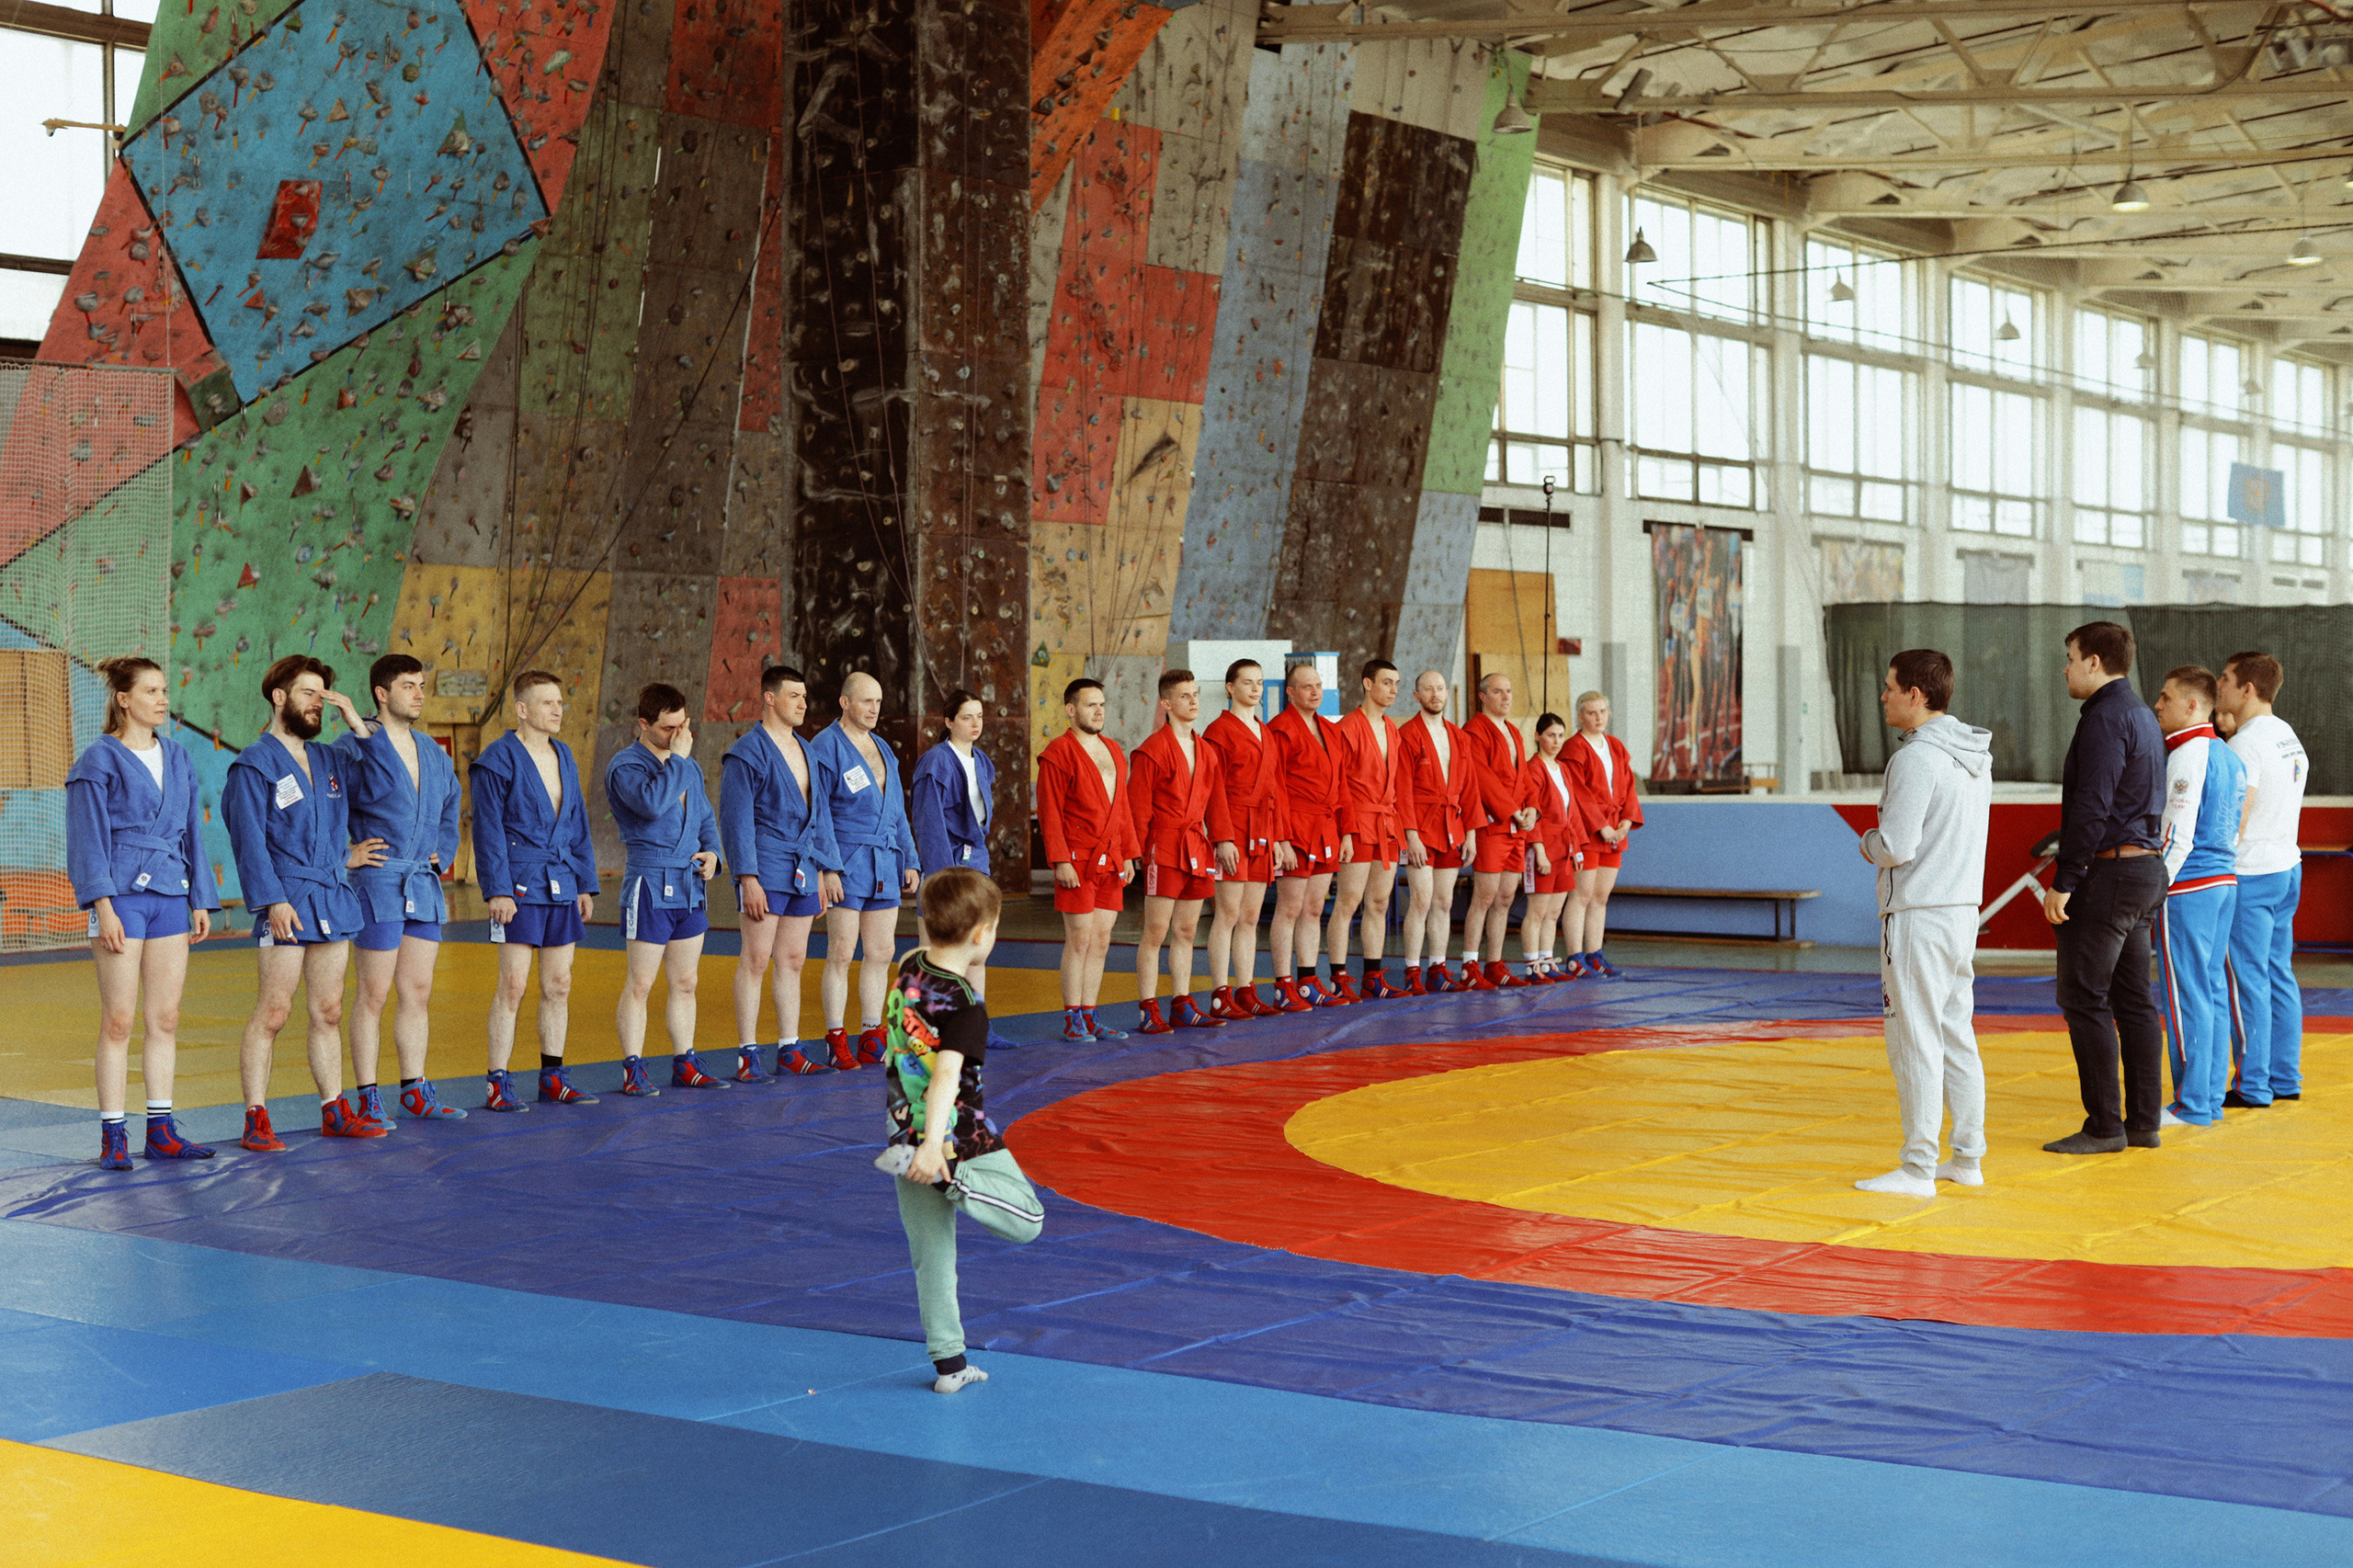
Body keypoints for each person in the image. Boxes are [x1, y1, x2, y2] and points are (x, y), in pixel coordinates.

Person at [874, 868, 1044, 1394]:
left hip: (900, 1134)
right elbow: (946, 1076)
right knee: (1029, 1219)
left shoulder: (908, 967)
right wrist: (936, 1153)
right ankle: (955, 1184)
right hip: (953, 1138)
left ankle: (949, 1365)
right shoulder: (967, 1006)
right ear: (982, 935)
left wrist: (916, 1143)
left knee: (932, 1254)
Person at [222, 655, 386, 1149]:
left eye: (323, 695)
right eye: (308, 693)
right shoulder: (253, 763)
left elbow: (381, 780)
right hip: (287, 898)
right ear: (279, 697)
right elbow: (247, 839)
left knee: (330, 1010)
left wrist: (358, 723)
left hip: (332, 895)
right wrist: (271, 900)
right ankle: (256, 1116)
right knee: (274, 1011)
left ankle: (333, 1109)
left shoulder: (331, 759)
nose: (319, 704)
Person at [65, 656, 223, 1167]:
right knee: (118, 1020)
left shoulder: (177, 756)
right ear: (123, 699)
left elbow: (192, 832)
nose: (162, 699)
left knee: (166, 1018)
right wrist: (103, 906)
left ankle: (161, 1129)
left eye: (164, 691)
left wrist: (200, 896)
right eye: (151, 691)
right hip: (121, 897)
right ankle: (114, 1135)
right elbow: (86, 838)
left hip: (172, 897)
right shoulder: (97, 760)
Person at [1853, 650, 1993, 1198]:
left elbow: (1896, 845)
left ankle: (1917, 1167)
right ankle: (1968, 1156)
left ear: (1917, 694)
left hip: (1917, 914)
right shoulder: (1973, 756)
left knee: (1914, 1039)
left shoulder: (1916, 760)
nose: (1883, 695)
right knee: (1956, 1034)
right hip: (1959, 912)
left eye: (1890, 687)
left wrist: (1867, 844)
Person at [2040, 621, 2169, 1155]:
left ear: (2094, 662)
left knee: (2083, 997)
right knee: (2135, 1000)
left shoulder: (2105, 718)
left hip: (2110, 874)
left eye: (2070, 657)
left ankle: (2104, 1126)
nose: (2065, 667)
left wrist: (2064, 881)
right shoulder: (2141, 714)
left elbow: (2093, 806)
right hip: (2144, 872)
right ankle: (2142, 1122)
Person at [333, 653, 464, 1129]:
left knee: (418, 990)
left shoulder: (432, 750)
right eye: (408, 685)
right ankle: (368, 1094)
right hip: (380, 880)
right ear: (382, 694)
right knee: (373, 993)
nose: (419, 693)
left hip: (421, 881)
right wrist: (344, 852)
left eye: (422, 684)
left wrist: (442, 852)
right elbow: (330, 802)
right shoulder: (352, 745)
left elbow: (451, 803)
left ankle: (414, 1087)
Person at [471, 671, 601, 1110]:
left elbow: (577, 824)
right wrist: (498, 890)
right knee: (512, 984)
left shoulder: (565, 755)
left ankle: (553, 1076)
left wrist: (585, 883)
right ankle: (497, 1082)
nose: (558, 710)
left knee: (559, 984)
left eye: (560, 702)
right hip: (520, 885)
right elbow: (487, 830)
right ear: (522, 709)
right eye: (548, 703)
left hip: (562, 879)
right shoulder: (497, 758)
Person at [722, 665, 841, 1080]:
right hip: (766, 863)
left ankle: (789, 1047)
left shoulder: (808, 750)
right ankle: (747, 1052)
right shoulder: (746, 752)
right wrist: (747, 878)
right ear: (769, 698)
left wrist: (828, 869)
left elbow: (821, 814)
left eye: (805, 697)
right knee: (756, 959)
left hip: (805, 865)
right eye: (794, 696)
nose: (803, 704)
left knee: (792, 959)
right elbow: (736, 820)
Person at [607, 681, 726, 1096]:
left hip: (689, 882)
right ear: (644, 724)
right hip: (650, 881)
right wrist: (678, 759)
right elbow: (653, 804)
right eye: (668, 728)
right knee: (640, 983)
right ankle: (633, 1066)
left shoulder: (687, 764)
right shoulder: (626, 766)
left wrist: (713, 853)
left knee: (686, 981)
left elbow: (705, 817)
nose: (679, 735)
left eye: (683, 726)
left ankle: (685, 1060)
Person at [811, 671, 923, 1067]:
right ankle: (836, 1035)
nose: (874, 708)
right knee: (841, 951)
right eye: (866, 701)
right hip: (846, 859)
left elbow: (897, 812)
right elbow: (818, 812)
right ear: (845, 703)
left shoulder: (883, 748)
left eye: (878, 701)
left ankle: (873, 1032)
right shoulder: (825, 747)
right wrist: (827, 869)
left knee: (881, 950)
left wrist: (910, 858)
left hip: (885, 859)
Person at [2151, 665, 2246, 1130]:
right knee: (2208, 992)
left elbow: (2177, 834)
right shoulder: (2228, 755)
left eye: (2166, 697)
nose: (2157, 705)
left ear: (2193, 706)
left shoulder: (2188, 754)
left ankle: (2191, 1105)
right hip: (2223, 882)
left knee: (2185, 995)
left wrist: (2152, 890)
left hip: (2189, 886)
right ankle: (2206, 1098)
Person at [2217, 652, 2307, 1108]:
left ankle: (2253, 1085)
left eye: (2226, 679)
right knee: (2278, 974)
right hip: (2286, 866)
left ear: (2247, 689)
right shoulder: (2286, 735)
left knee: (2248, 980)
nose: (2219, 686)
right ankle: (2285, 1077)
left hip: (2251, 873)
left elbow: (2237, 816)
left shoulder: (2246, 745)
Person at [1129, 668, 1240, 1033]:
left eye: (1195, 695)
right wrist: (1134, 855)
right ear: (1166, 704)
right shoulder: (1151, 751)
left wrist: (1223, 840)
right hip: (1164, 845)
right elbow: (1138, 809)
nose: (1194, 702)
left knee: (1188, 930)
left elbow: (1217, 802)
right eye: (1185, 697)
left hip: (1196, 844)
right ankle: (1147, 1007)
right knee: (1156, 930)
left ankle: (1181, 1002)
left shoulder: (1206, 750)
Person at [909, 687, 1015, 1051]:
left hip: (975, 859)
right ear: (949, 721)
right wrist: (942, 880)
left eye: (980, 717)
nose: (975, 724)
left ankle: (976, 1026)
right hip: (946, 862)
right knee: (938, 951)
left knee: (976, 951)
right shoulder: (935, 763)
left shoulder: (982, 761)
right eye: (966, 717)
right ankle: (930, 1029)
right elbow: (928, 824)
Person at [1035, 677, 1139, 1040]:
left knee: (1102, 938)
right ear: (1071, 709)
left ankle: (1091, 1013)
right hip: (1077, 858)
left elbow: (1122, 807)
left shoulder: (1113, 748)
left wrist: (1128, 853)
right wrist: (1060, 860)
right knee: (1079, 938)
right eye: (1091, 705)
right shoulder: (1058, 752)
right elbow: (1050, 812)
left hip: (1110, 856)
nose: (1098, 711)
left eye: (1102, 705)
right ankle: (1072, 1016)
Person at [1201, 660, 1292, 1019]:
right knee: (1227, 913)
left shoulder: (1265, 731)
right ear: (1230, 688)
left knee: (1251, 915)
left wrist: (1280, 839)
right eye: (1247, 683)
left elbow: (1277, 788)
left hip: (1262, 830)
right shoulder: (1218, 731)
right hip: (1234, 826)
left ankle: (1246, 988)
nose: (1255, 689)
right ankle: (1220, 993)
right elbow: (1213, 789)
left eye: (1259, 683)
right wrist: (1222, 838)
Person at [1266, 662, 1347, 1010]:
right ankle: (1283, 983)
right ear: (1290, 693)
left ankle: (1308, 979)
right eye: (1307, 687)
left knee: (1314, 908)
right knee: (1289, 907)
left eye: (1319, 686)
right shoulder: (1280, 730)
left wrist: (1347, 831)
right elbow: (1275, 788)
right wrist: (1281, 838)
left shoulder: (1330, 730)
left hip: (1326, 826)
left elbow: (1342, 785)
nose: (1315, 692)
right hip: (1296, 827)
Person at [1395, 670, 1481, 994]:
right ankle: (1413, 970)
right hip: (1421, 825)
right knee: (1421, 899)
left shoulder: (1459, 736)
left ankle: (1438, 968)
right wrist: (1410, 834)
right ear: (1416, 696)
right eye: (1428, 689)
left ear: (1448, 693)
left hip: (1452, 826)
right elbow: (1401, 788)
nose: (1435, 694)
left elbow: (1470, 788)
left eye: (1440, 689)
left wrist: (1470, 833)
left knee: (1443, 901)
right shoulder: (1408, 734)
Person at [1325, 660, 1405, 999]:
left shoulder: (1392, 729)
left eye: (1397, 684)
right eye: (1387, 682)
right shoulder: (1347, 726)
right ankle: (1338, 975)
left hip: (1386, 822)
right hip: (1357, 821)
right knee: (1348, 900)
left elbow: (1398, 783)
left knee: (1378, 901)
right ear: (1367, 684)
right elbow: (1338, 783)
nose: (1393, 690)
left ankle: (1373, 975)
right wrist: (1344, 830)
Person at [1460, 673, 1540, 990]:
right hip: (1493, 824)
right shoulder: (1474, 730)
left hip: (1516, 825)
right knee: (1484, 896)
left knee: (1506, 897)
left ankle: (1494, 963)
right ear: (1482, 696)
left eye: (1508, 691)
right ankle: (1469, 965)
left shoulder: (1514, 731)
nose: (1505, 697)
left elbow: (1526, 777)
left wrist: (1533, 807)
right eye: (1497, 692)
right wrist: (1512, 811)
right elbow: (1483, 778)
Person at [1560, 690, 1642, 978]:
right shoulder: (1573, 747)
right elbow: (1577, 793)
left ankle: (1595, 954)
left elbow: (1629, 787)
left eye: (1603, 712)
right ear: (1580, 716)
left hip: (1615, 831)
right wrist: (1601, 827)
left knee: (1601, 898)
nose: (1598, 718)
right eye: (1592, 713)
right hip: (1587, 832)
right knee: (1581, 896)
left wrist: (1626, 823)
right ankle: (1574, 956)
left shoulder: (1615, 746)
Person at [1516, 712, 1589, 983]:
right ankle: (1531, 964)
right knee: (1537, 911)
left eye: (1560, 735)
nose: (1556, 741)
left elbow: (1574, 813)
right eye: (1550, 735)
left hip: (1565, 847)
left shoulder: (1564, 769)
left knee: (1554, 911)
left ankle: (1547, 961)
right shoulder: (1532, 769)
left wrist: (1578, 849)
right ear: (1538, 737)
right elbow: (1531, 812)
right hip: (1544, 847)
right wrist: (1539, 850)